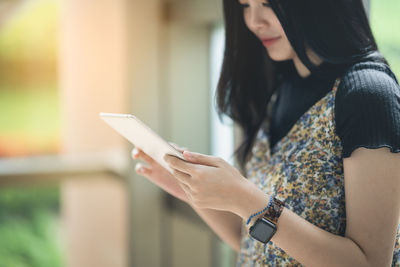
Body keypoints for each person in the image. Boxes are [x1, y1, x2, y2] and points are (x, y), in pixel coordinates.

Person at [132, 0, 400, 265]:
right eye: (246, 5)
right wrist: (188, 184)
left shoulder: (368, 95)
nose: (253, 21)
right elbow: (259, 244)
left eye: (269, 3)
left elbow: (370, 262)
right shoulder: (282, 85)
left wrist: (243, 196)